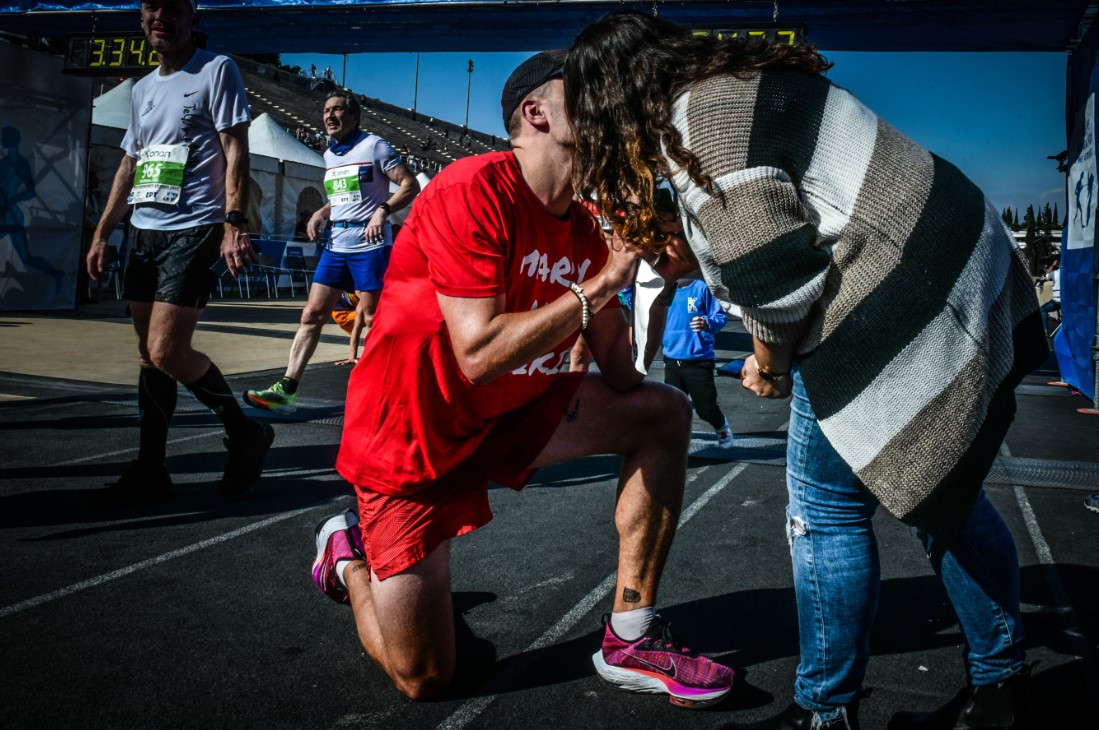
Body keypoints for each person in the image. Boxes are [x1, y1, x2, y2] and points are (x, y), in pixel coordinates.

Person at [565, 12, 1048, 729]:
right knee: (946, 491)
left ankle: (825, 712)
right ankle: (1001, 682)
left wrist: (766, 360)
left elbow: (775, 274)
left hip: (891, 286)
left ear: (611, 93)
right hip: (952, 255)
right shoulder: (732, 86)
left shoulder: (693, 123)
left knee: (826, 512)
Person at [309, 50, 734, 705]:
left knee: (662, 412)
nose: (614, 107)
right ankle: (349, 553)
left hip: (509, 414)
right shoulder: (471, 188)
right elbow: (477, 353)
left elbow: (622, 377)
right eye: (590, 92)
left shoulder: (592, 225)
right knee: (424, 679)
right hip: (413, 439)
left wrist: (652, 277)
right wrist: (602, 284)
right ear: (536, 113)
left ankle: (630, 632)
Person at [85, 0, 274, 505]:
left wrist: (234, 222)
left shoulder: (217, 70)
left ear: (193, 18)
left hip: (195, 228)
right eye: (151, 8)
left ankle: (246, 433)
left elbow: (236, 148)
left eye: (172, 9)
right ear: (141, 17)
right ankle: (151, 467)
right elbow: (131, 162)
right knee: (149, 356)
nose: (160, 18)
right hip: (145, 230)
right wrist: (104, 231)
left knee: (169, 350)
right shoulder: (144, 87)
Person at [244, 91, 418, 414]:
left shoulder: (375, 146)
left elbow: (409, 185)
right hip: (336, 247)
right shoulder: (329, 155)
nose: (329, 116)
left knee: (374, 320)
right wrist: (322, 212)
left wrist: (383, 210)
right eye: (326, 111)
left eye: (337, 110)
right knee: (312, 315)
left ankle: (394, 392)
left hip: (370, 246)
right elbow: (344, 196)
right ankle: (287, 391)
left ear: (354, 116)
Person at [662, 277, 734, 448]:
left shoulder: (701, 288)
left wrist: (707, 322)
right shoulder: (663, 289)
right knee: (672, 408)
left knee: (705, 409)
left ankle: (720, 424)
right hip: (672, 361)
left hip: (698, 362)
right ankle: (677, 444)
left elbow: (719, 317)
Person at [1038, 256, 1061, 336]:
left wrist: (1052, 265)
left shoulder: (1054, 273)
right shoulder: (1070, 272)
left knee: (1043, 309)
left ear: (1057, 263)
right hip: (1068, 302)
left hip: (1057, 302)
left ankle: (1045, 331)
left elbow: (1046, 275)